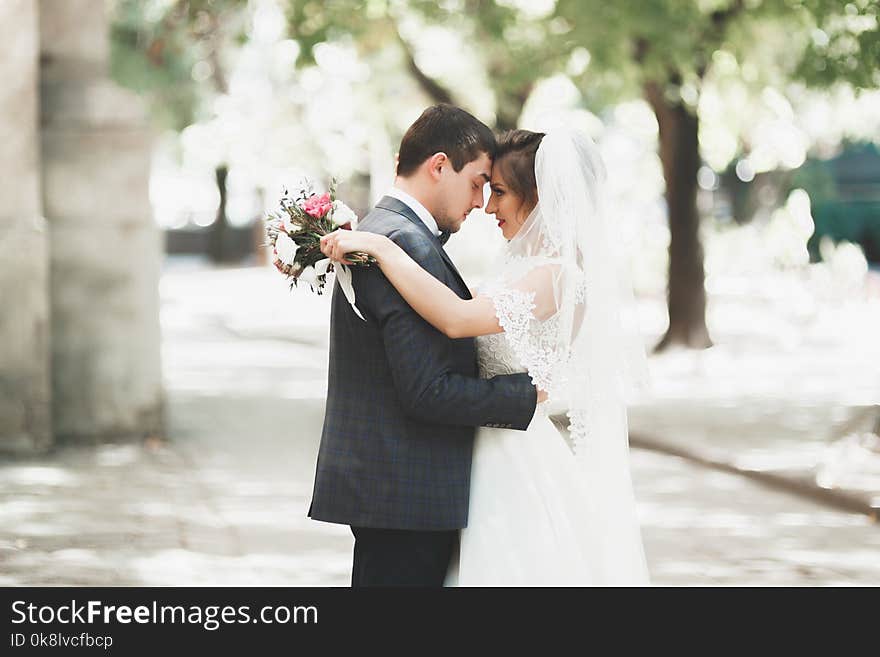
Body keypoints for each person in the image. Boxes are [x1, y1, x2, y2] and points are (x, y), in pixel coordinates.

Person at [320, 126, 650, 585]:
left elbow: (456, 317)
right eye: (484, 189)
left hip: (514, 456)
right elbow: (441, 302)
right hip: (477, 452)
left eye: (499, 192)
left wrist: (380, 247)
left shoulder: (558, 276)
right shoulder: (521, 267)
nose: (488, 206)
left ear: (538, 198)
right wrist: (333, 250)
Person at [308, 105, 544, 587]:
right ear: (439, 165)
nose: (482, 202)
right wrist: (528, 393)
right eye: (479, 182)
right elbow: (427, 390)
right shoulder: (403, 244)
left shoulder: (383, 233)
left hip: (395, 491)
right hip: (406, 495)